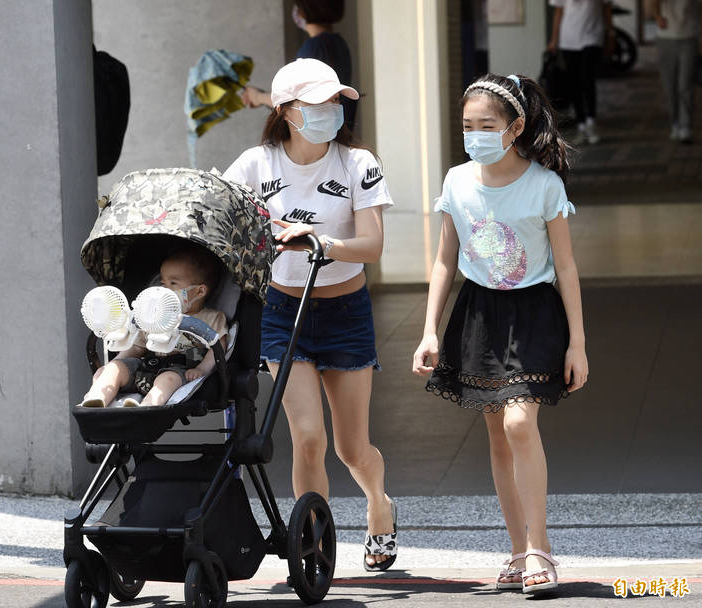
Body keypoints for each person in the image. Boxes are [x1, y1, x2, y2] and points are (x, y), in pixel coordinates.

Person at [412, 74, 588, 594]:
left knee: (517, 424)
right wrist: (429, 330)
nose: (475, 135)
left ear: (515, 127)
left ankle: (541, 548)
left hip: (534, 313)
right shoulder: (456, 181)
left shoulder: (545, 185)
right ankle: (517, 550)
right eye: (467, 126)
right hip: (479, 315)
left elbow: (567, 267)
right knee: (496, 434)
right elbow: (445, 260)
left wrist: (578, 341)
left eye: (486, 125)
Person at [223, 58, 397, 570]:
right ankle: (314, 546)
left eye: (334, 102)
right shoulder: (256, 164)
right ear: (287, 111)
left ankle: (379, 505)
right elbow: (223, 217)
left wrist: (319, 241)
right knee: (308, 437)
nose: (329, 111)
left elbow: (372, 246)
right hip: (281, 312)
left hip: (345, 311)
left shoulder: (357, 162)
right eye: (316, 103)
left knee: (352, 448)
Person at [81, 246, 227, 408]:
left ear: (199, 291)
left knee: (167, 379)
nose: (164, 289)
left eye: (173, 283)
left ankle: (147, 405)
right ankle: (96, 398)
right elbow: (137, 347)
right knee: (115, 368)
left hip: (180, 371)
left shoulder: (212, 318)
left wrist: (203, 369)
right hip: (147, 366)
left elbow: (218, 345)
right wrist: (115, 362)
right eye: (163, 283)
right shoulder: (154, 314)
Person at [240, 0, 357, 131]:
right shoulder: (338, 43)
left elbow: (293, 101)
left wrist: (258, 97)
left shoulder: (313, 48)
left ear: (303, 9)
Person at [547, 0, 613, 145]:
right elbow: (558, 11)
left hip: (593, 36)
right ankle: (581, 124)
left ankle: (591, 122)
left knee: (587, 78)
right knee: (574, 82)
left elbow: (606, 7)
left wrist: (610, 33)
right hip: (569, 38)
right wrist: (554, 39)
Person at [649, 0, 702, 143]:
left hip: (689, 38)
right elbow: (652, 3)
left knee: (685, 85)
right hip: (665, 39)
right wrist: (658, 16)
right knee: (669, 87)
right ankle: (675, 123)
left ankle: (686, 126)